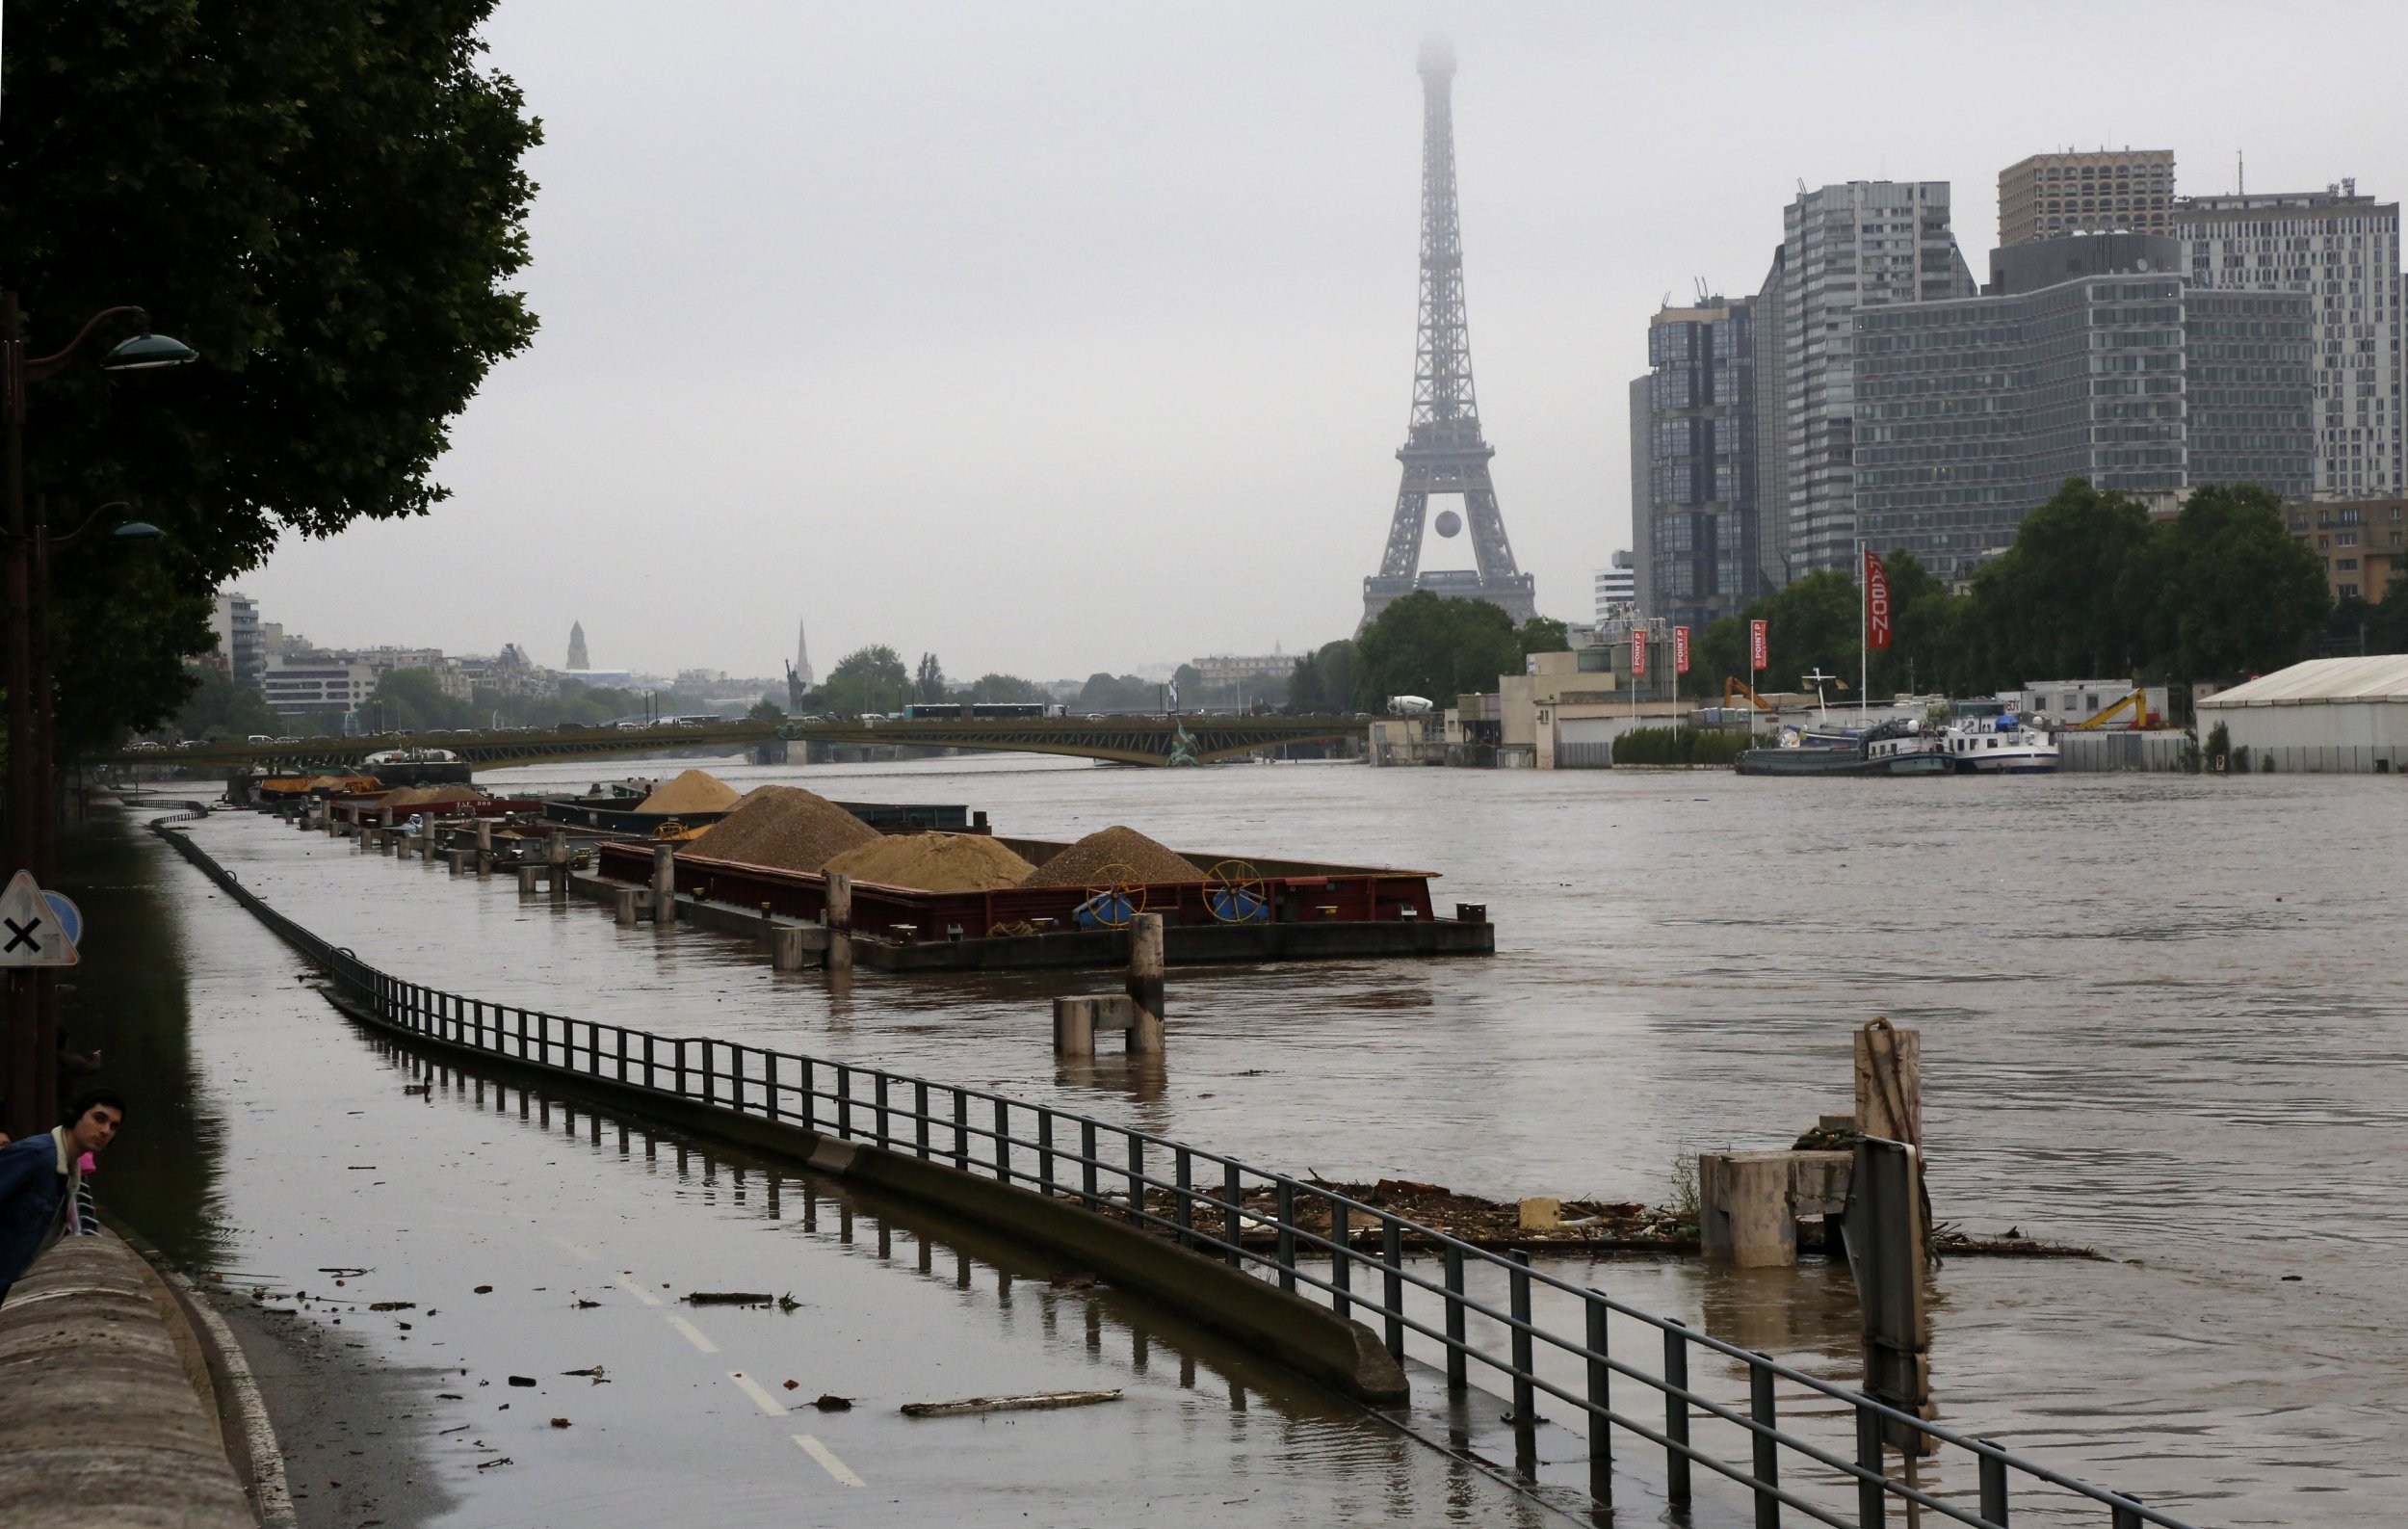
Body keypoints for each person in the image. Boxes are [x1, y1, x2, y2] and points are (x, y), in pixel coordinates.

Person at [0, 1090, 124, 1304]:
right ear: (75, 1116)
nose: (105, 1131)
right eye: (99, 1118)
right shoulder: (38, 1155)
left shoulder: (68, 1170)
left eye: (113, 1126)